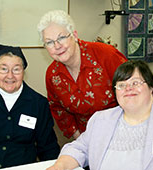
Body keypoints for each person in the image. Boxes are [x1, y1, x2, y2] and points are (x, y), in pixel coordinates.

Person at [47, 60, 153, 170]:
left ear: (151, 87)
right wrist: (60, 166)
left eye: (135, 83)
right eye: (121, 85)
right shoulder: (101, 119)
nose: (128, 88)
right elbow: (79, 148)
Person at [37, 10, 127, 139]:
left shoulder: (106, 55)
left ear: (74, 35)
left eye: (61, 38)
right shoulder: (52, 75)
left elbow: (135, 90)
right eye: (49, 42)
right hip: (87, 136)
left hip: (122, 130)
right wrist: (78, 137)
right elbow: (58, 109)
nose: (57, 46)